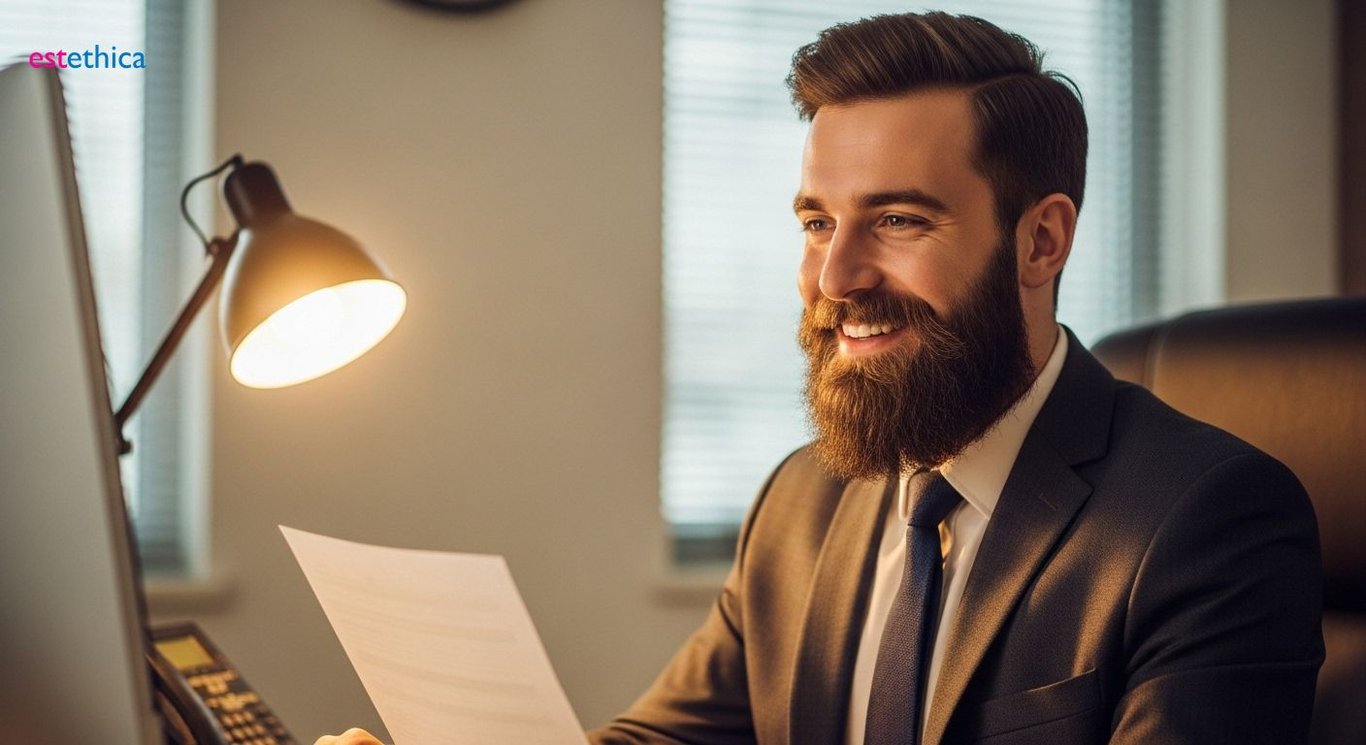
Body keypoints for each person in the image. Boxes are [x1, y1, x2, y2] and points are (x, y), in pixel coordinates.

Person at [317, 11, 1323, 745]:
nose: (833, 278)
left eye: (896, 221)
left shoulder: (1209, 519)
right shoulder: (802, 500)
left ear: (1040, 239)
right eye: (815, 222)